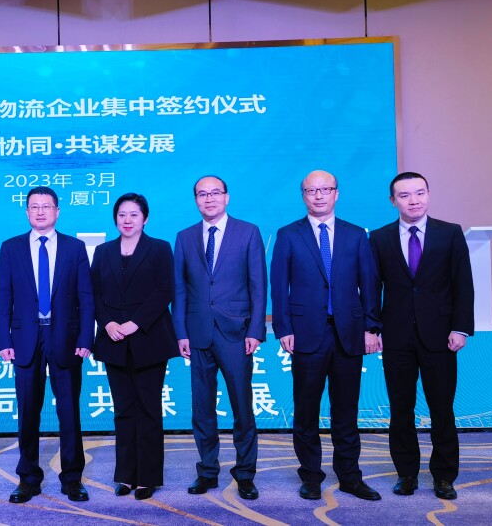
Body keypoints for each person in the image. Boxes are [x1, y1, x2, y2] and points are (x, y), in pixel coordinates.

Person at [270, 170, 382, 502]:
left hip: (349, 334)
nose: (318, 195)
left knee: (345, 411)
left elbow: (370, 284)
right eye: (311, 190)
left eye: (325, 189)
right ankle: (311, 477)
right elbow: (279, 286)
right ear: (303, 195)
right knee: (306, 411)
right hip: (305, 335)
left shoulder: (356, 235)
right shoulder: (288, 234)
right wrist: (284, 328)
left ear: (336, 193)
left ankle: (350, 476)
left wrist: (372, 327)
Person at [368, 172, 473, 501]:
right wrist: (372, 328)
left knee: (442, 409)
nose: (413, 200)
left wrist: (460, 327)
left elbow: (463, 284)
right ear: (393, 200)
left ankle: (444, 476)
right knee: (401, 409)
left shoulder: (450, 233)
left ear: (428, 194)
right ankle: (406, 473)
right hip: (396, 335)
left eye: (419, 193)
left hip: (441, 336)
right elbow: (373, 288)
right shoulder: (380, 238)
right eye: (405, 195)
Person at [0, 186, 95, 504]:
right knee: (27, 412)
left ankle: (72, 478)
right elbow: (2, 298)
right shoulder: (11, 248)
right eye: (34, 206)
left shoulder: (74, 248)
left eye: (46, 206)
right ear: (26, 212)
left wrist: (85, 339)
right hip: (25, 338)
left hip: (65, 337)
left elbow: (85, 297)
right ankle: (28, 478)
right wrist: (3, 340)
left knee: (69, 412)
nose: (40, 211)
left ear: (57, 211)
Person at [173, 175, 265, 500]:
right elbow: (180, 289)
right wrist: (180, 332)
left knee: (242, 406)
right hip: (197, 333)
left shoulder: (248, 232)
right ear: (196, 200)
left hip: (237, 334)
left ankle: (245, 474)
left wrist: (256, 330)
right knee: (202, 408)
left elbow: (258, 285)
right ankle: (208, 471)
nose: (209, 199)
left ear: (227, 197)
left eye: (215, 193)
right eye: (202, 194)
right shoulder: (184, 237)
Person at [91, 193, 179, 501]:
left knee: (149, 410)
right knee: (123, 411)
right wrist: (108, 323)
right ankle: (126, 475)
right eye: (122, 215)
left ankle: (148, 477)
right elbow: (94, 293)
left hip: (148, 339)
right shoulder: (103, 251)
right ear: (115, 218)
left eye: (134, 215)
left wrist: (136, 323)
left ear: (145, 218)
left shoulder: (159, 249)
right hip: (113, 341)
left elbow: (165, 290)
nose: (127, 220)